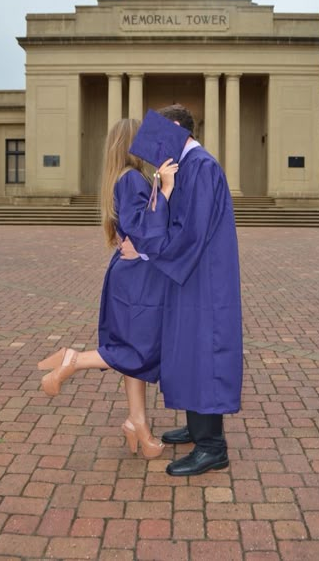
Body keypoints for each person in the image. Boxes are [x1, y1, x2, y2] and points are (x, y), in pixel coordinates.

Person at [37, 118, 179, 459]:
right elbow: (141, 227)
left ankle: (137, 424)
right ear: (132, 143)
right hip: (137, 276)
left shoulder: (123, 177)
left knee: (135, 349)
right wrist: (167, 190)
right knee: (138, 348)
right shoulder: (131, 178)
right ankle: (75, 360)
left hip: (132, 272)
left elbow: (132, 226)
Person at [121, 105, 243, 476]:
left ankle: (212, 446)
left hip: (202, 280)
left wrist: (143, 249)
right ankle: (197, 428)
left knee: (203, 353)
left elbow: (189, 232)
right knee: (188, 352)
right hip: (188, 277)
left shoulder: (201, 167)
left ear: (175, 129)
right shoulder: (185, 167)